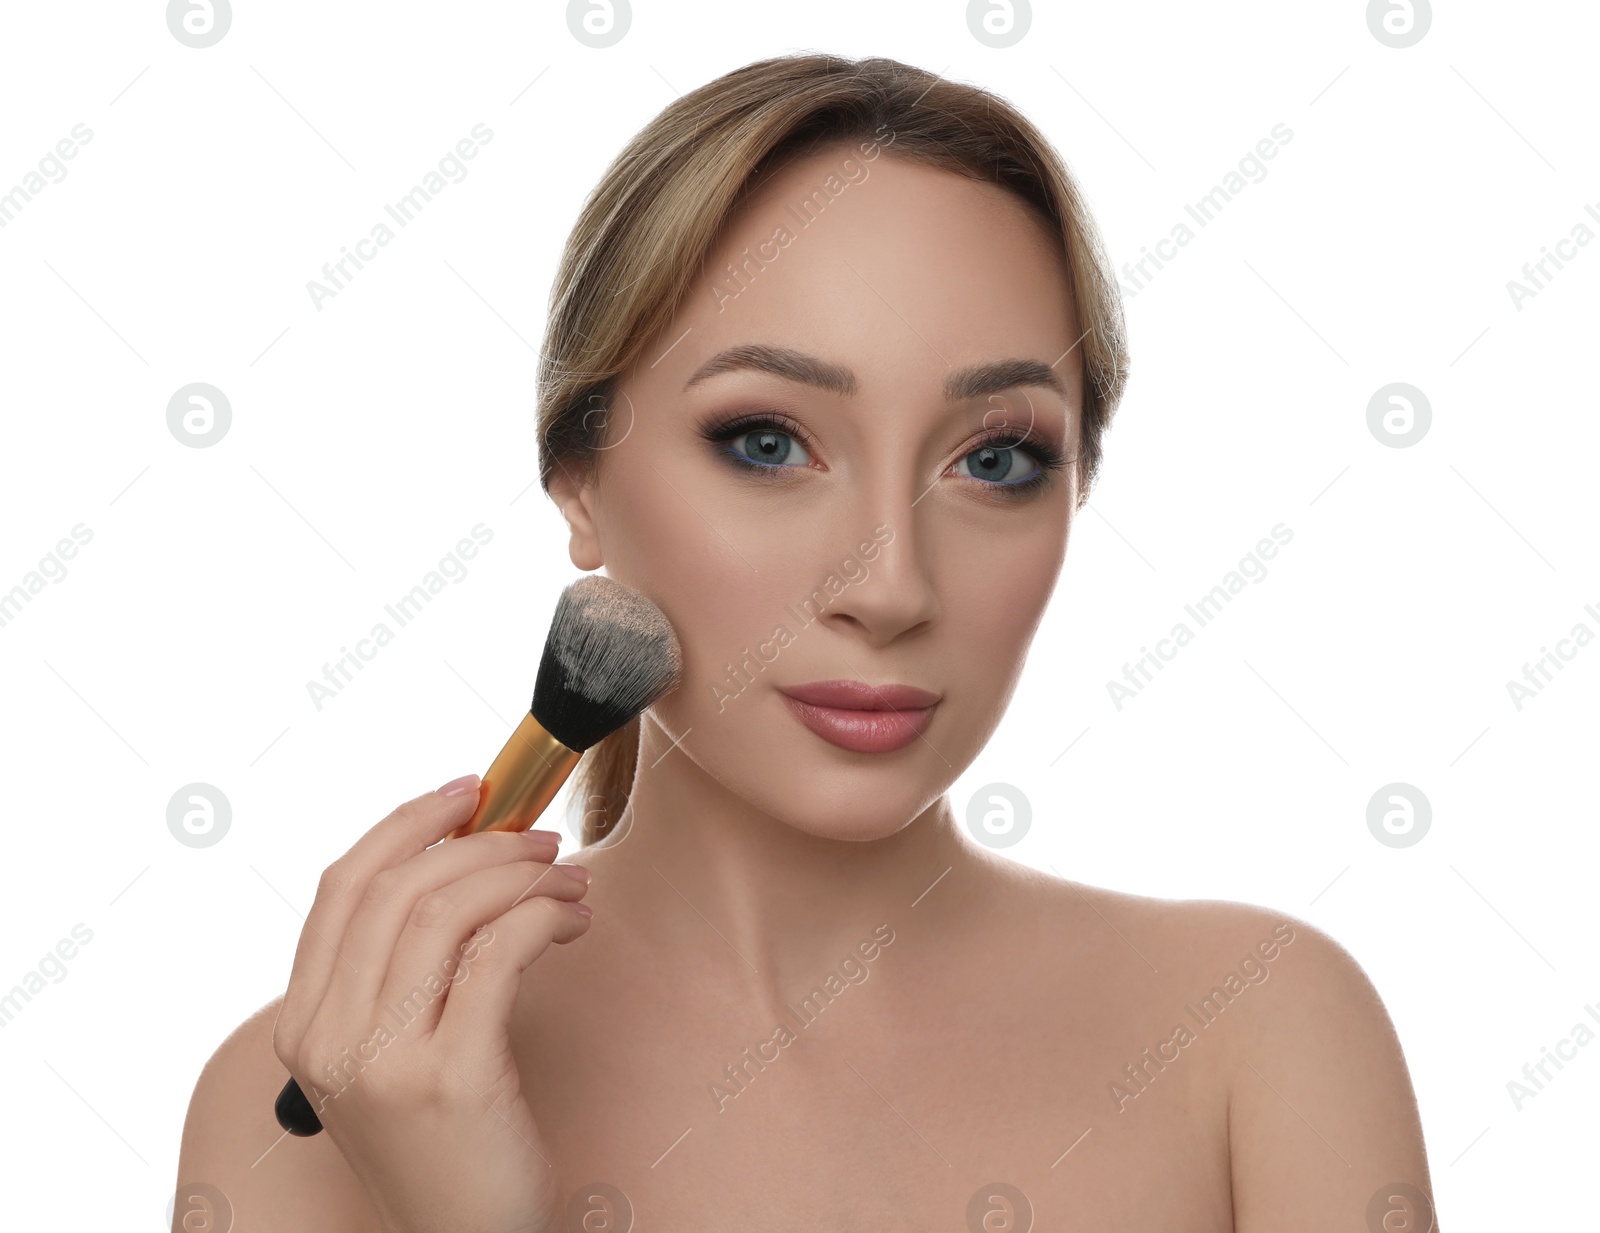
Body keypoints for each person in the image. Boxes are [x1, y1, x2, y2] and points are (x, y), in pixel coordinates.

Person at [176, 53, 1435, 1232]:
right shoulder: (314, 1102)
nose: (888, 584)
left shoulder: (1257, 1032)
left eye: (995, 460)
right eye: (767, 442)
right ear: (578, 481)